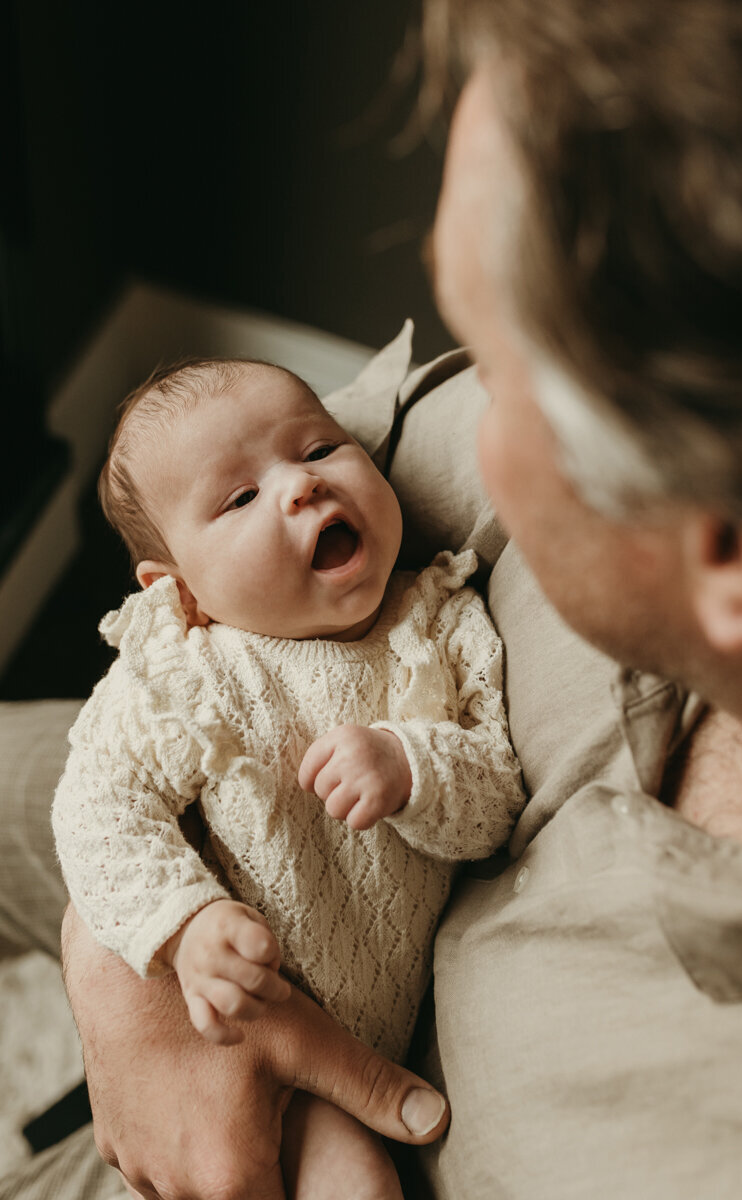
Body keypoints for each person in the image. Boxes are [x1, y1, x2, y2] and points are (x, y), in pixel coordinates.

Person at [2, 0, 742, 1196]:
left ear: (724, 550)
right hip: (189, 867)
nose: (454, 432)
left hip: (328, 1083)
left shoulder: (704, 1138)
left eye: (513, 366)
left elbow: (474, 777)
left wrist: (408, 767)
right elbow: (101, 802)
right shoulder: (193, 650)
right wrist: (128, 956)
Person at [51, 355, 524, 1198]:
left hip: (373, 1031)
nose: (300, 488)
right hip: (233, 1021)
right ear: (181, 590)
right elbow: (98, 809)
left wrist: (412, 764)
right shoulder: (185, 666)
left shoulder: (441, 619)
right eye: (239, 499)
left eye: (319, 449)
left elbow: (495, 793)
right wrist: (185, 926)